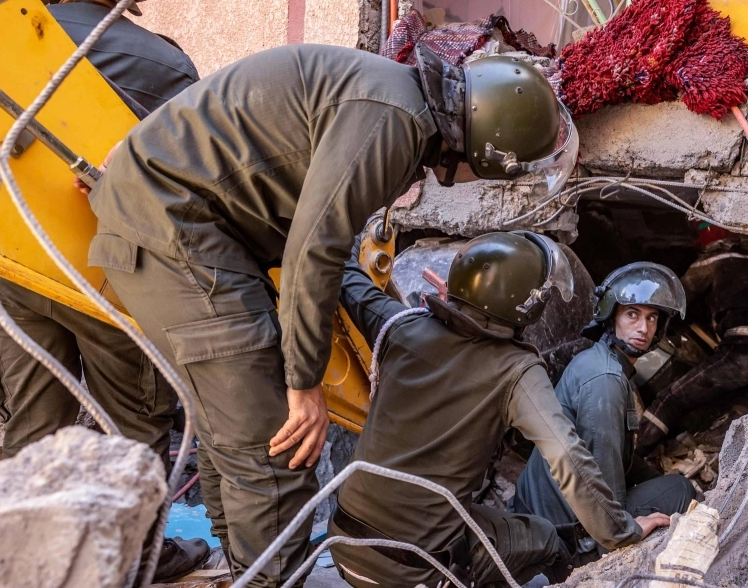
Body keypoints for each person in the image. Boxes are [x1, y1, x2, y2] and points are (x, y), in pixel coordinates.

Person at [82, 41, 580, 584]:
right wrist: (304, 383)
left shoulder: (393, 99)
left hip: (176, 220)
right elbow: (314, 250)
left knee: (236, 430)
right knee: (277, 440)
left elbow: (323, 237)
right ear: (491, 150)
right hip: (178, 228)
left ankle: (247, 572)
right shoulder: (395, 122)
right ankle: (267, 577)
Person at [0, 0, 205, 581]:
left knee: (32, 434)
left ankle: (26, 568)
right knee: (131, 434)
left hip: (15, 263)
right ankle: (137, 558)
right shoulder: (165, 65)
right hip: (115, 275)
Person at [327, 231, 669, 587]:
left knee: (482, 520)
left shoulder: (402, 326)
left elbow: (347, 279)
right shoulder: (516, 371)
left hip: (345, 539)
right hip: (414, 568)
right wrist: (622, 532)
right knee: (547, 540)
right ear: (527, 304)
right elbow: (568, 455)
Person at [515, 262, 697, 564]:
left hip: (539, 511)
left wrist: (653, 477)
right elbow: (603, 467)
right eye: (632, 314)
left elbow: (617, 454)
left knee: (665, 482)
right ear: (612, 315)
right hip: (562, 536)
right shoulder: (606, 380)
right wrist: (622, 536)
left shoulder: (602, 363)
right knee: (679, 489)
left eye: (652, 318)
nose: (644, 328)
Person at [635, 228, 748, 454]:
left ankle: (634, 453)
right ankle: (724, 437)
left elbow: (675, 300)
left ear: (703, 241)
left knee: (671, 399)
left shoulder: (712, 260)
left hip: (742, 348)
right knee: (740, 392)